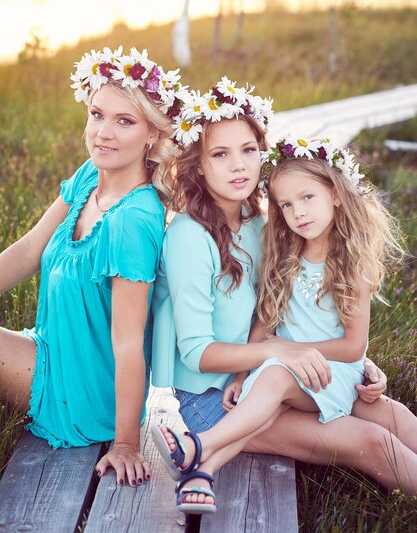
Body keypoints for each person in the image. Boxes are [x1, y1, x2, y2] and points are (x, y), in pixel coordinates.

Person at [151, 82, 397, 514]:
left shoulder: (265, 224)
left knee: (389, 414)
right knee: (372, 441)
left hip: (275, 372)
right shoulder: (190, 237)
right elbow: (197, 354)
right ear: (198, 165)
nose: (239, 166)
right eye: (219, 154)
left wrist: (358, 358)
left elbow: (293, 309)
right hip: (213, 398)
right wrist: (281, 352)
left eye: (248, 150)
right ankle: (199, 456)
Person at [0, 46, 184, 487]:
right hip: (50, 350)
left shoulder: (132, 223)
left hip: (83, 393)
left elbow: (127, 343)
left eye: (124, 121)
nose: (104, 132)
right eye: (97, 114)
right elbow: (27, 251)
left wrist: (125, 444)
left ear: (152, 136)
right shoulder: (90, 176)